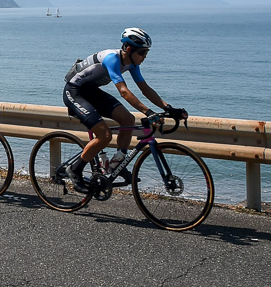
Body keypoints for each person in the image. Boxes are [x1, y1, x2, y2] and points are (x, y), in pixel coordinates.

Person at [57, 27, 186, 191]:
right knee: (104, 135)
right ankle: (74, 169)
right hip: (75, 92)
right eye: (142, 53)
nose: (145, 57)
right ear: (129, 49)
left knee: (128, 119)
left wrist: (169, 108)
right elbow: (124, 92)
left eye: (146, 53)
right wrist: (148, 112)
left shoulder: (132, 64)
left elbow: (145, 89)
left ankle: (117, 163)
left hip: (92, 92)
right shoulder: (112, 59)